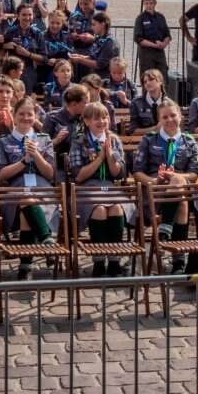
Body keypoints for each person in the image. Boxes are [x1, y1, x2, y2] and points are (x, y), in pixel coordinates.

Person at [0, 97, 58, 279]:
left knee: (26, 211)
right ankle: (47, 241)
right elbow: (0, 174)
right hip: (14, 192)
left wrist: (36, 155)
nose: (26, 118)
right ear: (14, 116)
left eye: (30, 114)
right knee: (25, 201)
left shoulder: (44, 140)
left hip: (42, 190)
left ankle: (25, 265)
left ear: (35, 116)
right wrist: (24, 161)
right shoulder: (4, 141)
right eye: (21, 114)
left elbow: (51, 174)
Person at [133, 98, 198, 273]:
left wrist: (174, 176)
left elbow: (194, 173)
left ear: (180, 116)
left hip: (182, 190)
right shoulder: (149, 140)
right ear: (159, 120)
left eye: (173, 115)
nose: (170, 120)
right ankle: (178, 261)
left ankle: (165, 231)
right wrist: (156, 181)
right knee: (182, 201)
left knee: (179, 184)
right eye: (165, 117)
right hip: (153, 193)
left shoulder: (189, 141)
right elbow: (138, 173)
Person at [68, 103, 129, 277]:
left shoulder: (114, 139)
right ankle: (99, 261)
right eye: (97, 118)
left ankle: (115, 261)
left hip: (109, 186)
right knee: (100, 210)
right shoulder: (79, 140)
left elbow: (118, 174)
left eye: (105, 117)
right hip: (87, 187)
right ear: (87, 121)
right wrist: (99, 158)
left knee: (117, 208)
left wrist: (109, 157)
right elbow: (78, 176)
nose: (102, 121)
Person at [133, 0, 172, 81]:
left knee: (163, 79)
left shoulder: (160, 17)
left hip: (160, 54)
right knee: (147, 80)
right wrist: (155, 45)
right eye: (146, 3)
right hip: (147, 55)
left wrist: (164, 44)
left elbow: (167, 34)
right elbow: (138, 38)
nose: (148, 6)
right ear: (143, 4)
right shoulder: (140, 18)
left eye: (151, 3)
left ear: (155, 3)